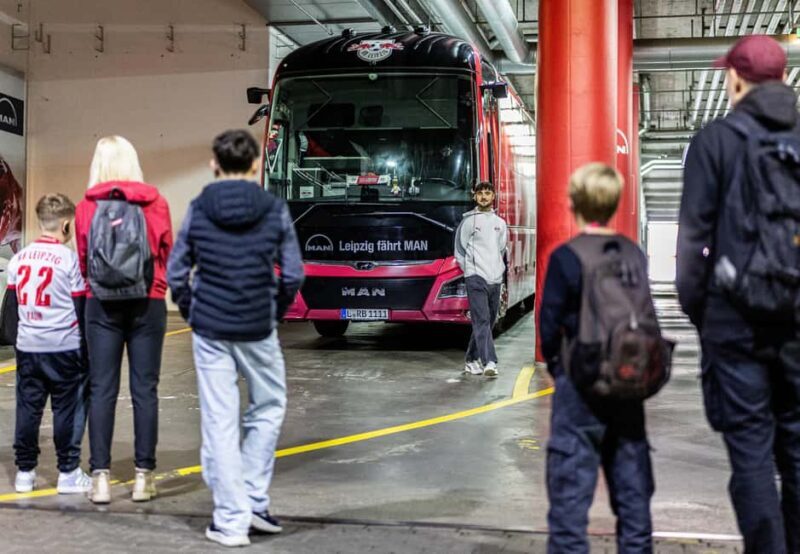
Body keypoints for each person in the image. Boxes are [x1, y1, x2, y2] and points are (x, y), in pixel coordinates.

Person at [677, 35, 800, 553]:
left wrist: (704, 313)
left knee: (750, 452)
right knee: (796, 451)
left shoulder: (715, 141)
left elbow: (692, 245)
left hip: (735, 319)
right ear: (785, 79)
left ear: (736, 79)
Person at [167, 130, 304, 547]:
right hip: (257, 327)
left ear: (214, 165)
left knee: (219, 422)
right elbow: (294, 273)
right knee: (269, 405)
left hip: (210, 328)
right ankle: (255, 500)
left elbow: (177, 273)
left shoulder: (198, 207)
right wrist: (273, 313)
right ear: (257, 165)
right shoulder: (274, 208)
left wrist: (193, 310)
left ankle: (230, 520)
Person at [539, 164, 654, 553]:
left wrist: (561, 370)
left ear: (575, 203)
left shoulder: (566, 257)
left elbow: (549, 325)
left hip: (581, 387)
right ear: (615, 203)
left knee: (570, 503)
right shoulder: (634, 254)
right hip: (628, 385)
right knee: (634, 499)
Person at [75, 136, 173, 504]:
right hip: (148, 302)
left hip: (99, 305)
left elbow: (84, 258)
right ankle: (143, 477)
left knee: (101, 390)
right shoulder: (155, 201)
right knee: (144, 390)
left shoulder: (87, 205)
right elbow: (166, 249)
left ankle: (100, 477)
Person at [7, 194, 91, 494]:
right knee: (66, 409)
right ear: (66, 224)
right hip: (63, 346)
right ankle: (68, 471)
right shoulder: (69, 261)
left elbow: (11, 308)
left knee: (28, 409)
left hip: (28, 346)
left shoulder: (19, 259)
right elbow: (81, 309)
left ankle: (25, 472)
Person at [454, 181, 507, 377]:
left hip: (494, 277)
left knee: (488, 320)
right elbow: (459, 251)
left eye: (488, 193)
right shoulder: (467, 222)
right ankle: (490, 362)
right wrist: (469, 271)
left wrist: (497, 270)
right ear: (474, 196)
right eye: (480, 193)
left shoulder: (500, 224)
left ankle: (470, 359)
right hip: (475, 277)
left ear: (493, 197)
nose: (484, 196)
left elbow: (501, 249)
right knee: (482, 319)